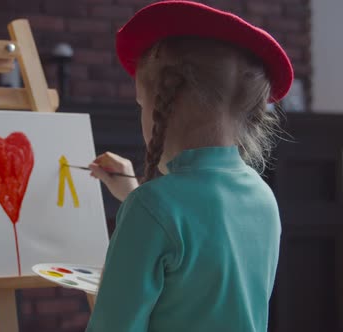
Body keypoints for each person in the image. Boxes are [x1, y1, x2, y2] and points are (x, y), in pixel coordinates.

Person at [85, 1, 293, 331]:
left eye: (140, 103)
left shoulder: (151, 208)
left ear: (162, 106)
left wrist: (139, 203)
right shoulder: (263, 198)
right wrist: (133, 195)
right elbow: (198, 249)